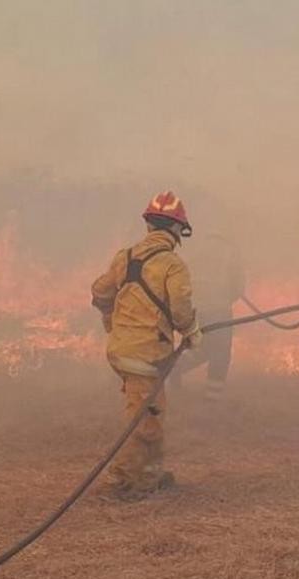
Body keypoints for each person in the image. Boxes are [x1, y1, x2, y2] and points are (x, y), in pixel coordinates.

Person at [90, 191, 203, 500]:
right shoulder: (172, 265)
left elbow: (100, 292)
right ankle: (125, 481)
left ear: (150, 225)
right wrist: (192, 332)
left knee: (151, 410)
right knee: (142, 420)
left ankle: (150, 474)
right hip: (145, 353)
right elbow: (180, 308)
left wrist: (111, 320)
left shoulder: (125, 257)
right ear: (179, 229)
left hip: (121, 349)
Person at [172, 232, 245, 401]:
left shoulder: (195, 247)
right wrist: (225, 299)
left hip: (194, 308)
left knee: (201, 347)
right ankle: (213, 396)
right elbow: (238, 287)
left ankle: (174, 368)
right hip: (218, 309)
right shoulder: (230, 252)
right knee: (220, 351)